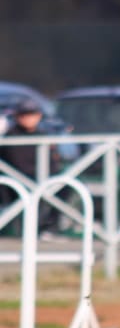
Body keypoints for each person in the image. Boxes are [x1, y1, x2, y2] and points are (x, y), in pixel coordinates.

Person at [0, 99, 47, 235]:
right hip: (16, 180)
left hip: (39, 179)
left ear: (39, 116)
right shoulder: (10, 136)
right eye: (24, 114)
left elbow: (53, 163)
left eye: (31, 114)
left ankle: (46, 228)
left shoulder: (43, 135)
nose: (28, 118)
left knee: (63, 186)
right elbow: (16, 163)